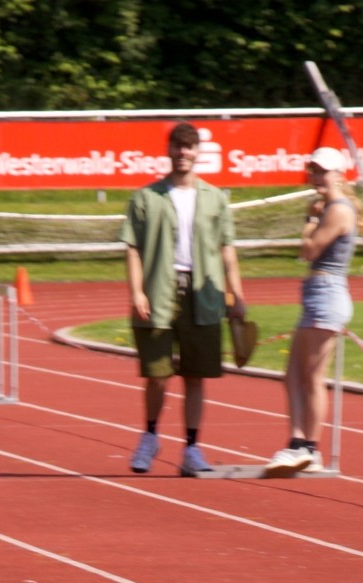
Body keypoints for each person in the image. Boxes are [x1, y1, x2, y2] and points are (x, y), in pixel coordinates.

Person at [120, 121, 247, 477]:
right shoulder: (146, 197)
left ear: (197, 152)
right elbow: (132, 248)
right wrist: (137, 291)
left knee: (196, 375)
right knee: (157, 374)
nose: (183, 153)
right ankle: (149, 436)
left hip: (203, 293)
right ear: (169, 150)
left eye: (189, 147)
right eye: (177, 146)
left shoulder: (215, 198)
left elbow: (227, 249)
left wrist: (237, 294)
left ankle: (192, 448)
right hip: (159, 290)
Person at [266, 146, 362, 475]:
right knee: (293, 374)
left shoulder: (338, 209)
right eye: (314, 171)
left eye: (323, 171)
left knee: (312, 377)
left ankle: (308, 447)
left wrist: (309, 222)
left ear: (339, 174)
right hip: (318, 294)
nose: (317, 177)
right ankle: (297, 444)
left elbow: (309, 250)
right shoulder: (332, 208)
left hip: (327, 294)